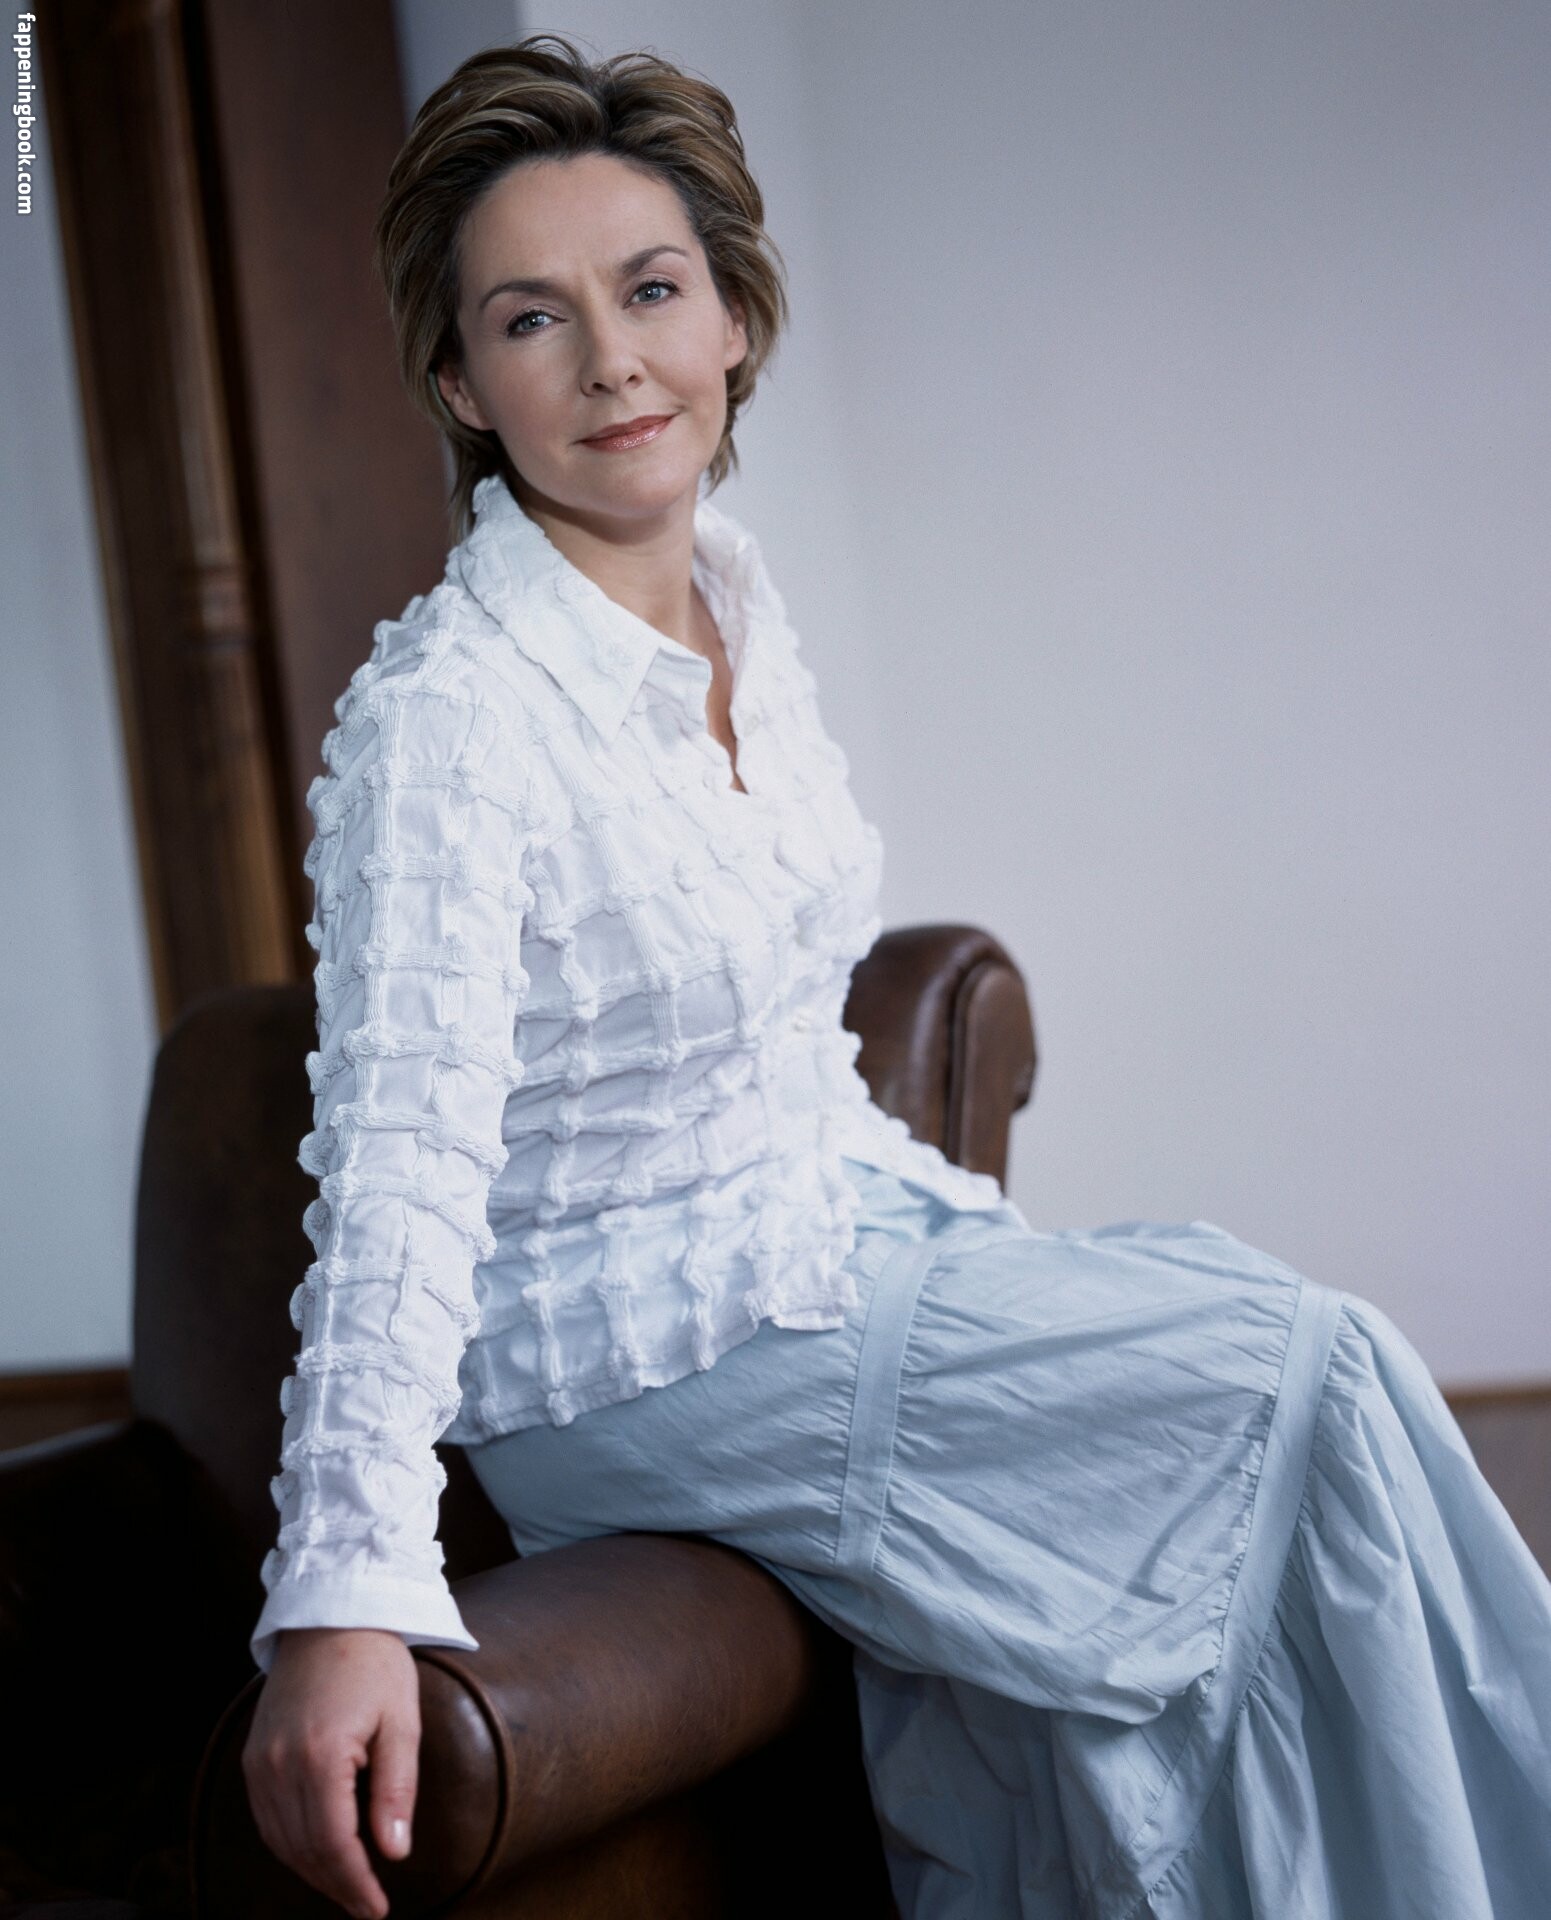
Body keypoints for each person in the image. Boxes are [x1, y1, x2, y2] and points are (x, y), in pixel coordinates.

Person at [241, 32, 1551, 1920]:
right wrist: (343, 1595)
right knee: (1309, 1377)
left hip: (820, 1248)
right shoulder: (447, 718)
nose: (611, 360)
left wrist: (974, 1251)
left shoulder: (735, 603)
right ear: (462, 381)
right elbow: (394, 1175)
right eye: (533, 319)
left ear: (732, 321)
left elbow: (781, 1044)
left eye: (652, 290)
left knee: (1155, 1583)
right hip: (639, 1364)